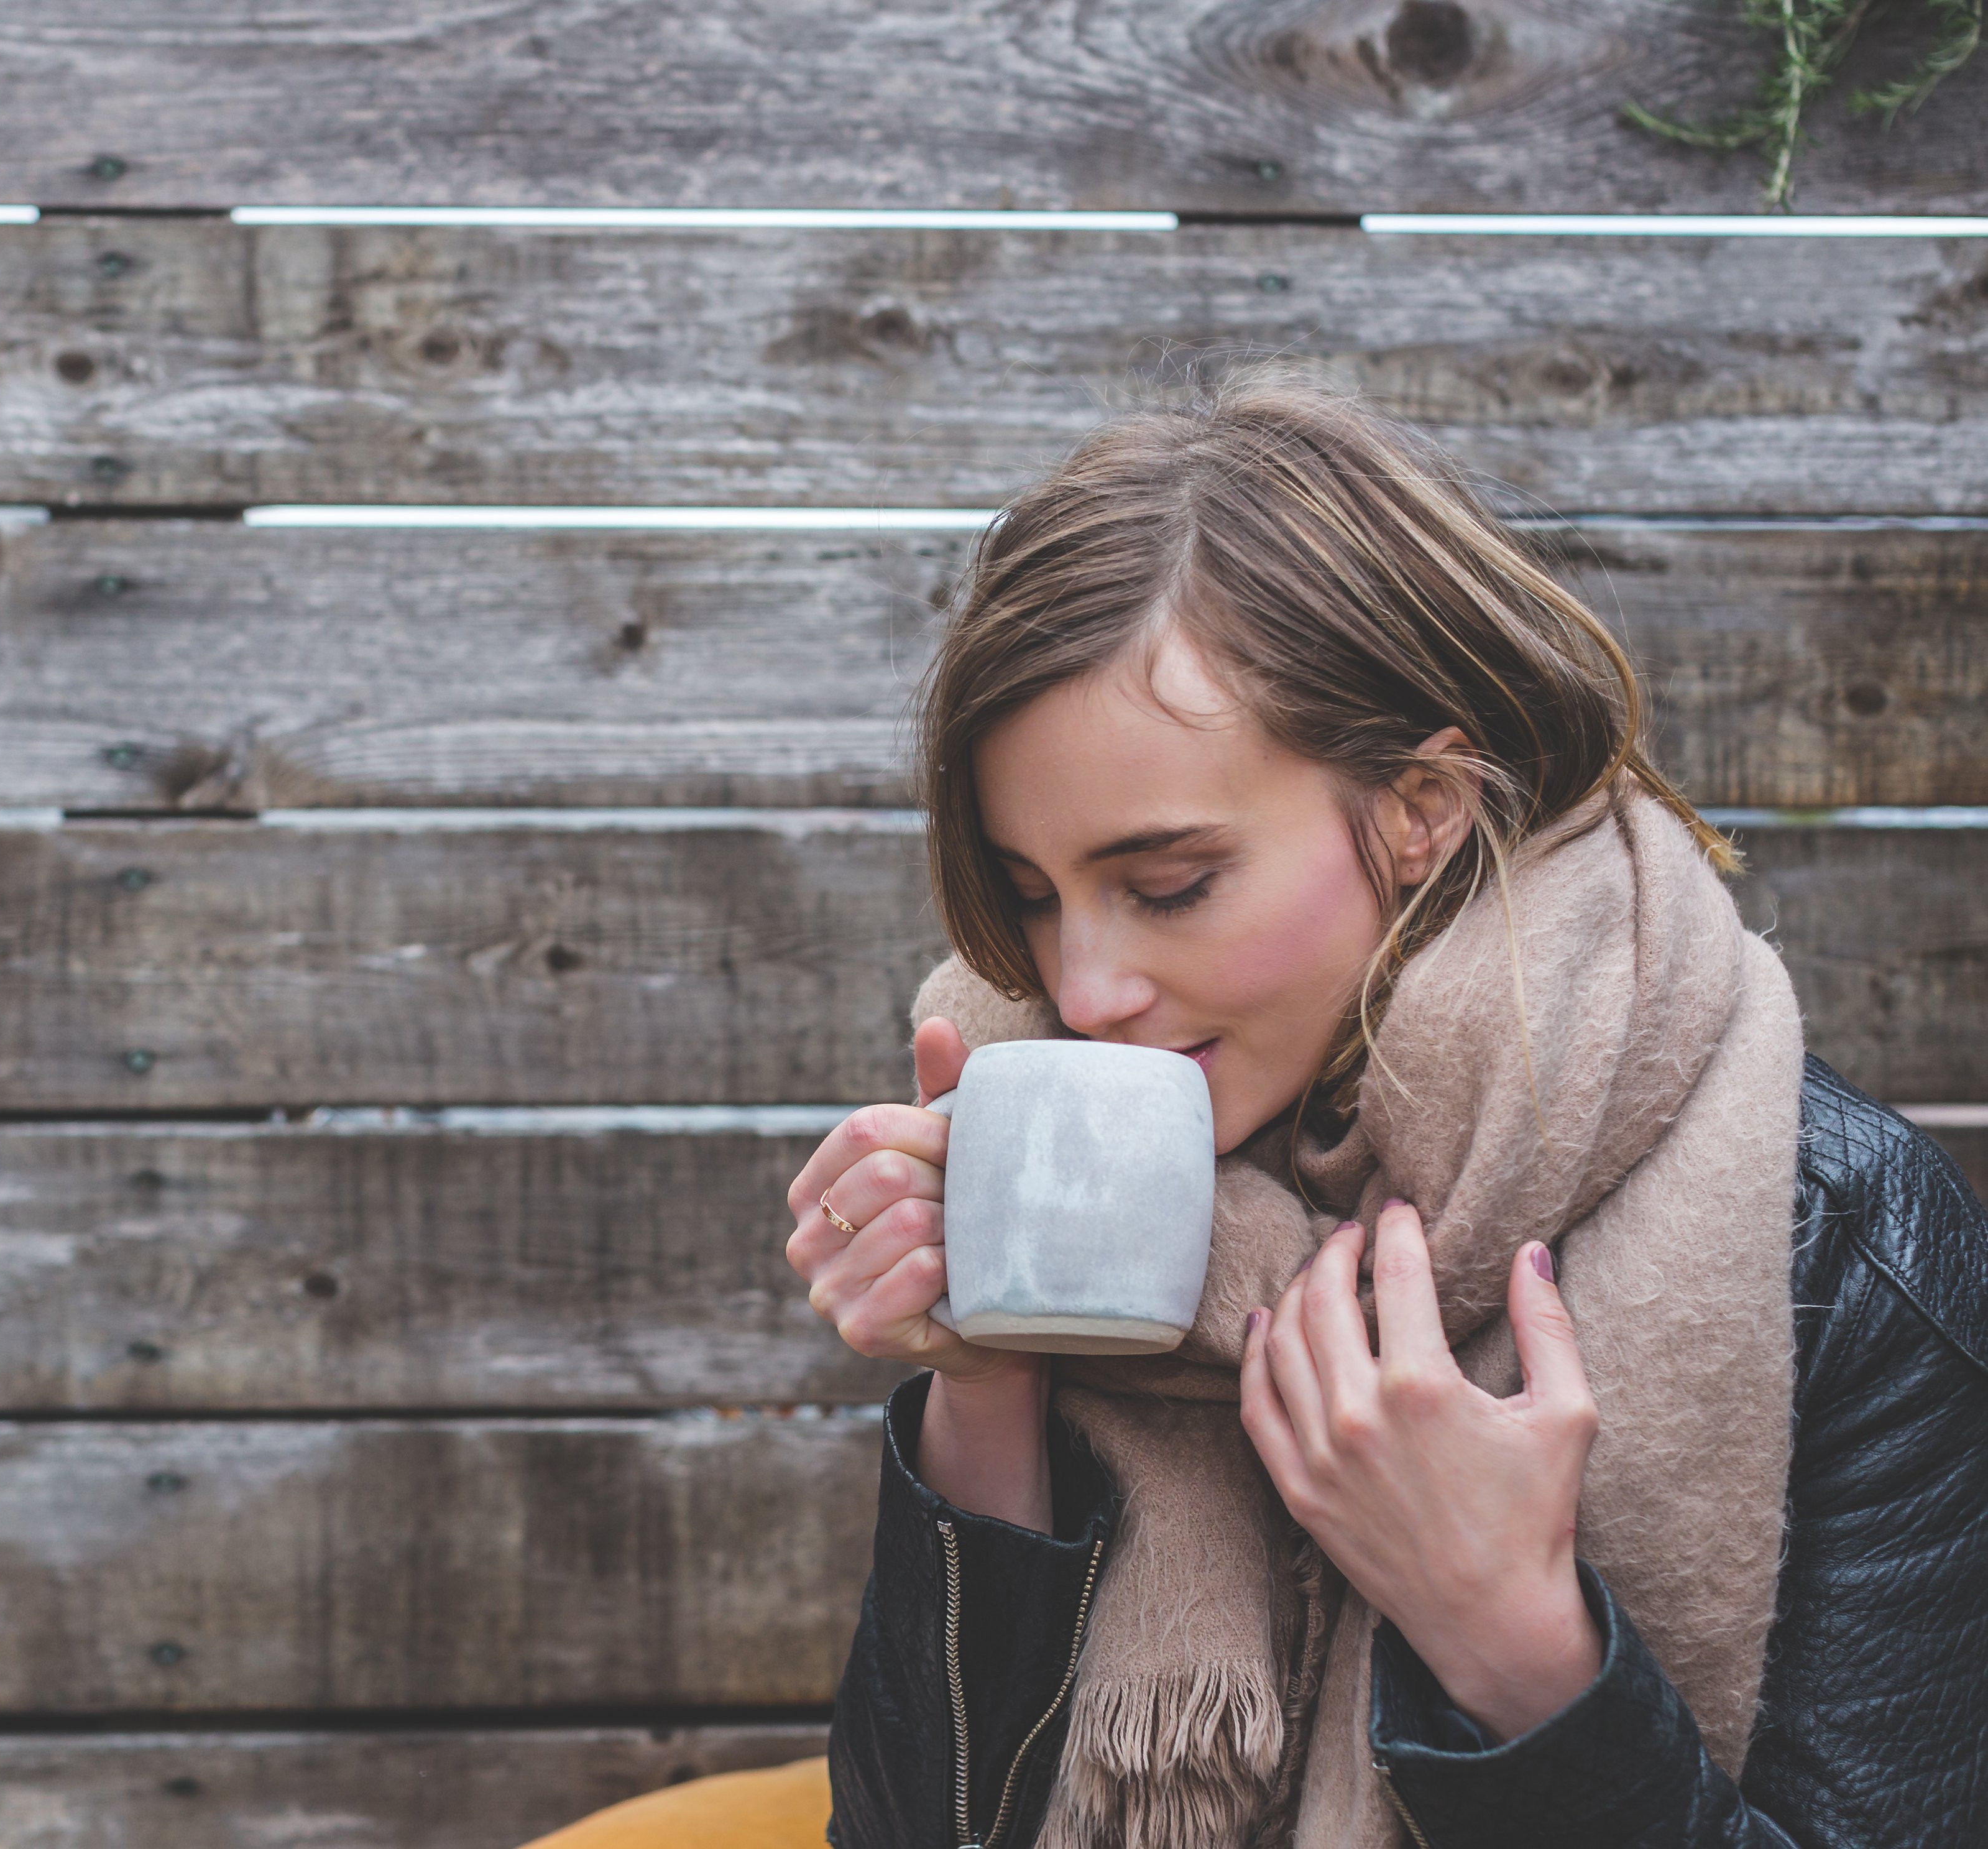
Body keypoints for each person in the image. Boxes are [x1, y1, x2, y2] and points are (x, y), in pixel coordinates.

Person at [776, 374, 1988, 1848]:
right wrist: (986, 1386)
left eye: (1168, 885)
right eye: (1031, 896)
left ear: (1421, 805)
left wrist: (1508, 1636)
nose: (1083, 989)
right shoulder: (1063, 1189)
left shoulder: (1845, 1249)